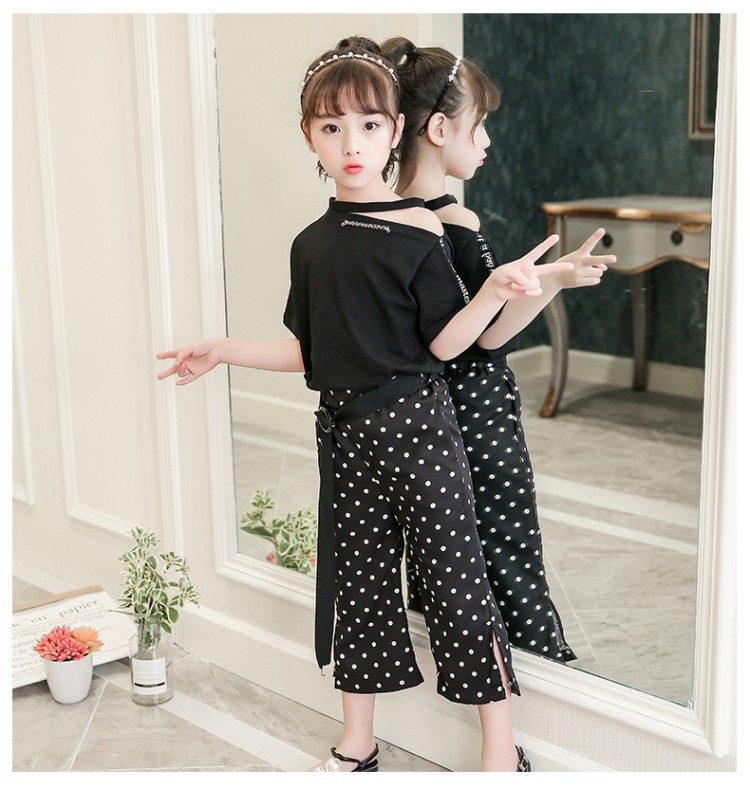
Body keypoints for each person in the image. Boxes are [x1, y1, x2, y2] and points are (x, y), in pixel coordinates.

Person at [157, 36, 573, 772]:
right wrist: (221, 348)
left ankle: (499, 751)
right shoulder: (311, 244)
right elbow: (313, 355)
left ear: (395, 130)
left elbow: (444, 344)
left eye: (370, 125)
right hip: (346, 438)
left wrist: (492, 291)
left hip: (421, 432)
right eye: (332, 127)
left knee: (457, 580)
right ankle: (358, 743)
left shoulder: (421, 229)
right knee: (362, 584)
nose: (352, 144)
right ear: (309, 137)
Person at [381, 37, 616, 664]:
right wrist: (555, 280)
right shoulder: (455, 222)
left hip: (421, 413)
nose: (486, 142)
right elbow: (490, 334)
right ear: (438, 130)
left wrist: (551, 274)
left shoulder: (387, 216)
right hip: (476, 411)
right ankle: (539, 660)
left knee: (442, 548)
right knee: (506, 540)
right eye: (478, 126)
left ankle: (456, 654)